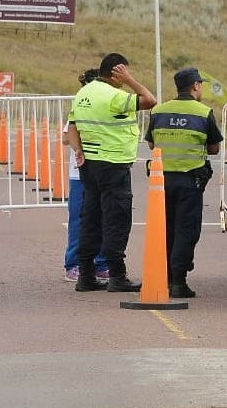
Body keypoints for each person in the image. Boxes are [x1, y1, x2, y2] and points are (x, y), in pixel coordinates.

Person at [68, 53, 156, 292]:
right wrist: (130, 80)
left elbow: (72, 127)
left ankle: (85, 275)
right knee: (116, 220)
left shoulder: (83, 93)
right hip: (113, 164)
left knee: (91, 220)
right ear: (117, 71)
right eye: (123, 72)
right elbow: (150, 100)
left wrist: (78, 151)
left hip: (89, 164)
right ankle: (117, 275)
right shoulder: (115, 96)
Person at [145, 67, 223, 298]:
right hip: (190, 180)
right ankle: (178, 281)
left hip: (161, 182)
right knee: (186, 230)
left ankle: (165, 276)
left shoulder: (159, 111)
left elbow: (151, 144)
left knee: (164, 229)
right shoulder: (203, 112)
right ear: (196, 86)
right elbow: (214, 148)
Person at [62, 68, 108, 283]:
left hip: (103, 170)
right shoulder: (81, 106)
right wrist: (80, 145)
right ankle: (74, 264)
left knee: (103, 219)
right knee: (79, 220)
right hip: (80, 174)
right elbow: (65, 136)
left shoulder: (108, 106)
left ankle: (100, 263)